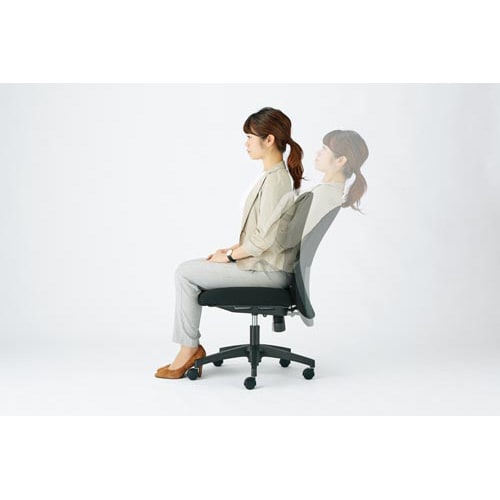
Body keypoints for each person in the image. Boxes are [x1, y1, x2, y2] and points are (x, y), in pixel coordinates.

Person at [155, 107, 305, 379]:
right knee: (191, 268)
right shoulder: (273, 177)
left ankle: (189, 349)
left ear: (269, 139)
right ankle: (189, 347)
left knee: (185, 273)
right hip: (265, 265)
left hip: (268, 272)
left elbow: (264, 240)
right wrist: (231, 249)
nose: (246, 143)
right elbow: (264, 233)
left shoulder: (276, 181)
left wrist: (231, 258)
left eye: (250, 137)